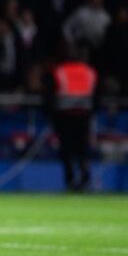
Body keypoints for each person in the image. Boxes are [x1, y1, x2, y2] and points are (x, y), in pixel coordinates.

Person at [44, 43, 97, 191]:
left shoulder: (60, 71)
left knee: (66, 151)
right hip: (84, 116)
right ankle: (85, 177)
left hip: (64, 117)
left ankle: (70, 180)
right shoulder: (89, 72)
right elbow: (95, 96)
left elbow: (50, 95)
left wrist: (49, 114)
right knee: (82, 149)